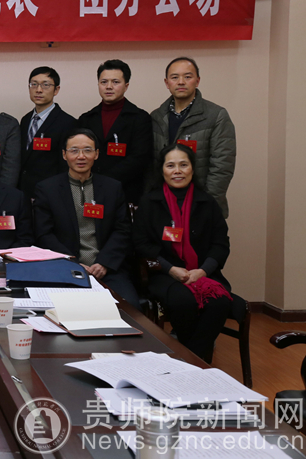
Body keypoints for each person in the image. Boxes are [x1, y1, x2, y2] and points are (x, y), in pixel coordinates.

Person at [133, 143, 232, 361]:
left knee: (220, 302)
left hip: (203, 274)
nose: (177, 171)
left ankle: (191, 360)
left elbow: (220, 244)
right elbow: (141, 244)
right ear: (162, 170)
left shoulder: (208, 203)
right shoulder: (149, 202)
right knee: (183, 300)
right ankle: (199, 362)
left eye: (183, 165)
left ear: (192, 169)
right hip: (164, 274)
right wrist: (171, 269)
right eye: (170, 165)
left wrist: (202, 271)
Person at [33, 129, 139, 307]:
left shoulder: (112, 188)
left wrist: (104, 263)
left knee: (130, 308)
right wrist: (72, 263)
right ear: (64, 155)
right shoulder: (47, 189)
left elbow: (122, 230)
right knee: (67, 310)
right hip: (65, 268)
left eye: (87, 150)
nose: (81, 156)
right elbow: (44, 234)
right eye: (74, 150)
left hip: (107, 269)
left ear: (96, 154)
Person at [151, 57, 236, 217]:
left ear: (197, 81)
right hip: (163, 204)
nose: (181, 82)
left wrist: (205, 204)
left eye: (187, 77)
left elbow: (222, 166)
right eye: (175, 77)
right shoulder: (156, 117)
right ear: (167, 83)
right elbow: (152, 166)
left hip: (201, 205)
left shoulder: (216, 116)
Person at [77, 60, 152, 205]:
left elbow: (139, 158)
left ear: (126, 86)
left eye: (115, 82)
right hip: (89, 190)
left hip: (126, 192)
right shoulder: (86, 119)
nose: (109, 87)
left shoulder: (140, 118)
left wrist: (105, 181)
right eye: (104, 82)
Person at [19, 66, 76, 200]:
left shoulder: (68, 123)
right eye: (34, 84)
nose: (38, 90)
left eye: (45, 85)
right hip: (23, 191)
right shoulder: (25, 120)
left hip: (50, 193)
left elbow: (66, 165)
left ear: (56, 90)